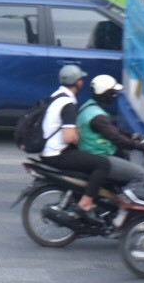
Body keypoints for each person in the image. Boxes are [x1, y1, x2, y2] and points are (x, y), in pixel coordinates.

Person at [39, 65, 110, 216]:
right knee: (103, 164)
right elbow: (69, 137)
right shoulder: (68, 104)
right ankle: (86, 201)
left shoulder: (57, 96)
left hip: (49, 151)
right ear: (78, 82)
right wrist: (76, 137)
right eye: (81, 79)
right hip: (57, 154)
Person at [79, 74, 144, 188]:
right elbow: (116, 137)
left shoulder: (89, 107)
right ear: (105, 93)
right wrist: (140, 146)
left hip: (95, 152)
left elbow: (114, 130)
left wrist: (133, 136)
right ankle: (125, 204)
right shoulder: (97, 117)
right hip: (99, 156)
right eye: (112, 93)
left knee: (130, 154)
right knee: (141, 174)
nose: (115, 95)